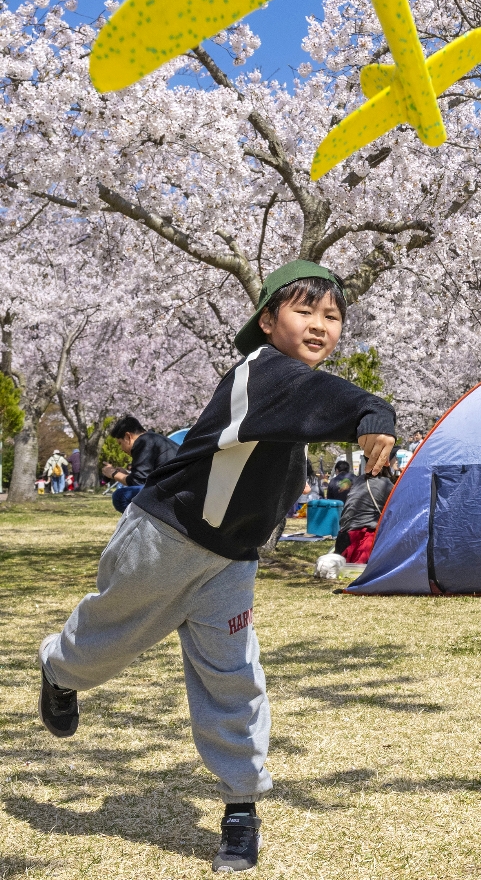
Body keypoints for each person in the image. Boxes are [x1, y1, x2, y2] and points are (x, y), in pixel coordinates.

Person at [36, 260, 396, 874]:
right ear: (266, 321)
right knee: (108, 640)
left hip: (232, 564)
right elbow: (332, 397)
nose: (320, 326)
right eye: (304, 311)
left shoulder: (292, 393)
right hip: (165, 538)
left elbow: (313, 405)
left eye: (332, 317)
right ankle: (60, 670)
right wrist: (371, 416)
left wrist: (371, 420)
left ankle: (240, 810)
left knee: (234, 676)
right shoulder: (262, 374)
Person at [102, 416, 181, 513]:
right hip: (181, 490)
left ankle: (142, 525)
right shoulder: (154, 439)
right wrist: (125, 474)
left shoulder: (143, 441)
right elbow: (144, 479)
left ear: (128, 436)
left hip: (171, 494)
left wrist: (113, 474)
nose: (121, 449)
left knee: (120, 496)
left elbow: (137, 482)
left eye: (120, 443)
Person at [335, 462, 395, 563]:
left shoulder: (359, 480)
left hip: (343, 537)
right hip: (361, 542)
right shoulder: (385, 484)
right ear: (386, 463)